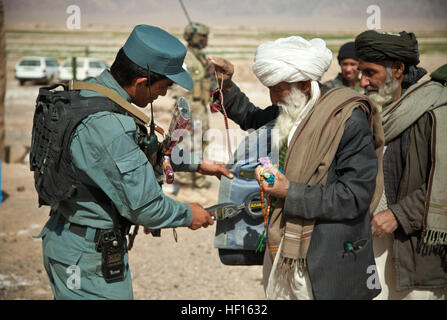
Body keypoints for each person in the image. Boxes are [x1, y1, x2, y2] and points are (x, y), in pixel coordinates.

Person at [33, 25, 232, 300]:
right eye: (162, 88)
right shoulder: (109, 127)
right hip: (87, 260)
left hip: (71, 242)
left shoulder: (96, 93)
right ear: (141, 82)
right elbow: (146, 208)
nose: (161, 96)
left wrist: (198, 164)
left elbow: (139, 152)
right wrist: (190, 214)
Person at [209, 35, 384, 300]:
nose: (272, 96)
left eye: (277, 88)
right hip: (282, 246)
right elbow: (252, 117)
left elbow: (354, 197)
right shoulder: (291, 108)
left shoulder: (347, 120)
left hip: (325, 253)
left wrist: (289, 191)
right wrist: (227, 84)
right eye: (270, 88)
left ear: (303, 84)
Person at [355, 30, 447, 299]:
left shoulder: (436, 111)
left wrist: (398, 215)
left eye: (370, 72)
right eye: (362, 72)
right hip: (374, 242)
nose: (363, 81)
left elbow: (444, 182)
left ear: (397, 69)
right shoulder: (376, 112)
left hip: (419, 250)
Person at [169, 22, 213, 191]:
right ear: (195, 38)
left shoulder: (200, 57)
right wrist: (184, 115)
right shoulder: (187, 59)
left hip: (200, 106)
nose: (206, 40)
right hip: (191, 106)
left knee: (202, 142)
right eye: (203, 36)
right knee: (189, 143)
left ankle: (199, 179)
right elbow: (180, 88)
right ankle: (187, 180)